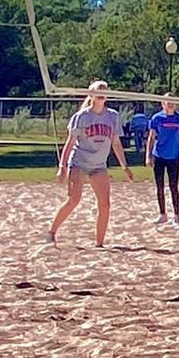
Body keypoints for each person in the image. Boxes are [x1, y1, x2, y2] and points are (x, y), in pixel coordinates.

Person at [48, 81, 128, 246]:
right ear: (91, 94)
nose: (101, 93)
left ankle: (99, 243)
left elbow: (116, 143)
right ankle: (51, 232)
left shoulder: (112, 116)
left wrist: (124, 166)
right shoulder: (82, 116)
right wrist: (62, 167)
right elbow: (70, 143)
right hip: (79, 163)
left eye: (104, 90)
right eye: (98, 90)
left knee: (105, 203)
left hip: (99, 166)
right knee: (73, 200)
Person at [149, 94, 179, 225]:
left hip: (173, 156)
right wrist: (148, 156)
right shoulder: (157, 118)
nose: (170, 104)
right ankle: (162, 214)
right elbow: (151, 137)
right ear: (163, 103)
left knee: (174, 186)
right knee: (159, 186)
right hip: (159, 155)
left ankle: (177, 216)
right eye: (168, 102)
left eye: (173, 102)